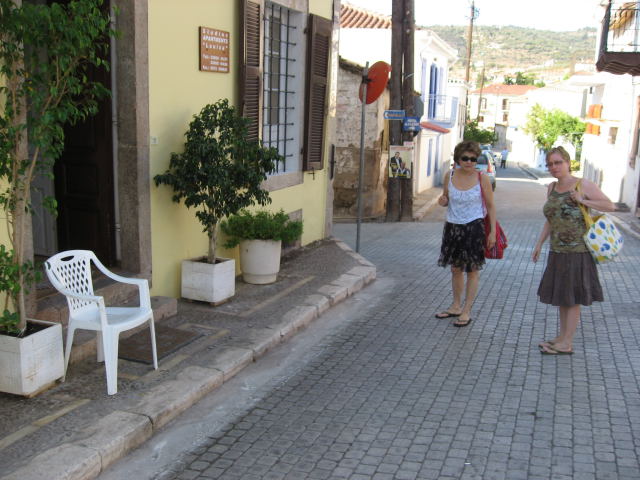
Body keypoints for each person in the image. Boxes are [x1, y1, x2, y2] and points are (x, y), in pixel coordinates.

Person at [532, 146, 615, 355]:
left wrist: (583, 200)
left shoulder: (582, 184)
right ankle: (562, 337)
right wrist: (539, 243)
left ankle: (567, 342)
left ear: (568, 163)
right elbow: (551, 220)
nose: (554, 167)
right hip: (557, 251)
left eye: (558, 162)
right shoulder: (551, 187)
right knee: (562, 296)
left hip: (578, 252)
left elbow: (610, 206)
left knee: (572, 298)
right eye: (550, 164)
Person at [435, 140, 496, 327]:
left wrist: (492, 232)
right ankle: (455, 306)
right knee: (455, 269)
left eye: (473, 159)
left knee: (472, 270)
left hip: (474, 227)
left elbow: (491, 206)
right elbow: (446, 198)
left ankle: (466, 310)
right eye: (465, 158)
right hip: (453, 227)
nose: (469, 162)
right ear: (458, 159)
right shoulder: (450, 175)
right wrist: (443, 201)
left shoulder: (482, 178)